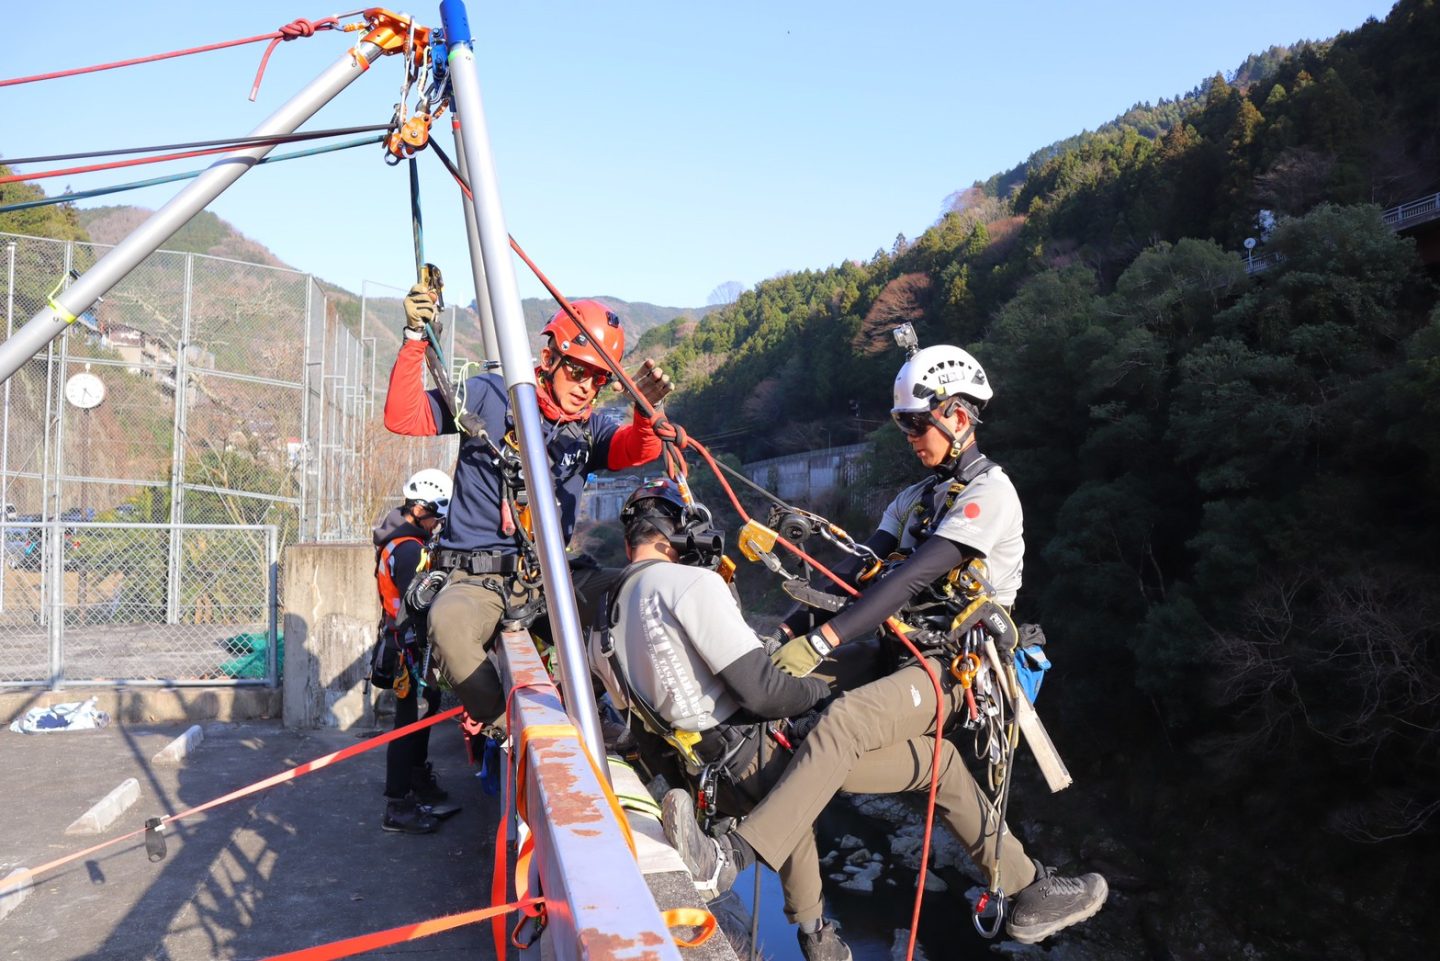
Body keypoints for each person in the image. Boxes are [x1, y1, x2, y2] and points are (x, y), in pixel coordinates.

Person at [665, 344, 1109, 945]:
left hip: (955, 670)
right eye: (903, 425)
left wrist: (824, 636)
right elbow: (855, 575)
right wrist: (792, 631)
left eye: (917, 423)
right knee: (823, 711)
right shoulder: (917, 499)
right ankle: (1026, 888)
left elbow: (913, 576)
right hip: (900, 655)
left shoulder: (990, 495)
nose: (909, 436)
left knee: (843, 721)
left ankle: (729, 859)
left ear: (958, 414)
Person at [383, 283, 671, 727]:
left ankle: (636, 718)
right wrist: (414, 338)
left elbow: (635, 450)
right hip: (475, 577)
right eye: (577, 371)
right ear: (550, 358)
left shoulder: (587, 429)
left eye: (598, 379)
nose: (586, 388)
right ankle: (510, 726)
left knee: (648, 590)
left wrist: (646, 411)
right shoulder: (489, 396)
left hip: (547, 576)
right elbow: (404, 417)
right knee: (449, 625)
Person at [589, 478, 850, 961]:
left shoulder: (605, 612)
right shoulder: (691, 584)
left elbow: (637, 719)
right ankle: (816, 934)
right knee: (872, 761)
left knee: (793, 800)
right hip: (746, 757)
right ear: (672, 537)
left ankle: (817, 933)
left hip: (696, 772)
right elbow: (765, 693)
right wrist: (824, 691)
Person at [373, 468, 452, 834]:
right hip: (407, 646)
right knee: (408, 723)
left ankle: (417, 783)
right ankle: (398, 803)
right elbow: (416, 602)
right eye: (435, 516)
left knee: (425, 710)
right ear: (420, 509)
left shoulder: (403, 540)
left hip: (405, 642)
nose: (437, 524)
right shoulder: (408, 549)